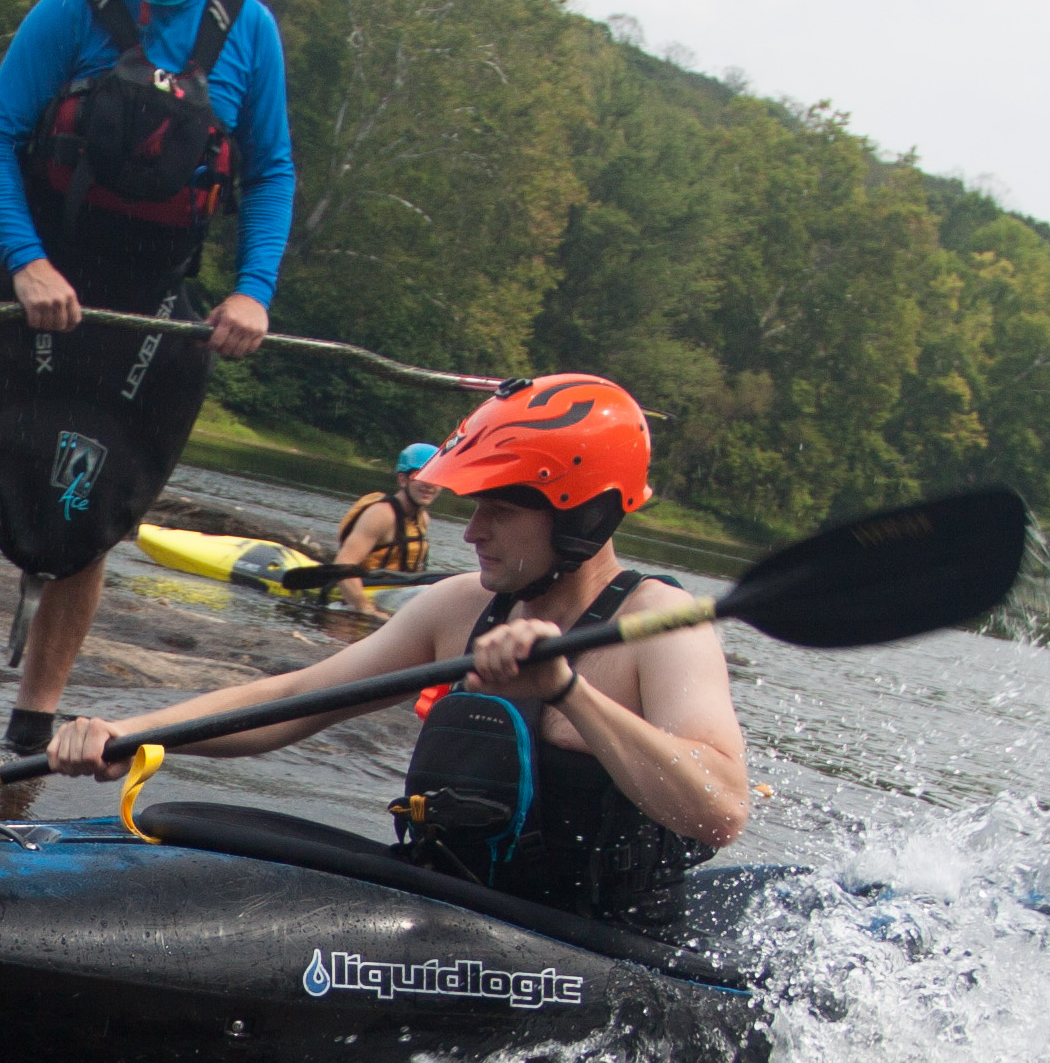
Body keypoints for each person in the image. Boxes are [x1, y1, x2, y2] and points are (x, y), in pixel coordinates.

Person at [43, 374, 748, 934]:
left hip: (598, 946)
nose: (471, 532)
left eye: (500, 510)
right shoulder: (460, 605)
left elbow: (720, 810)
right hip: (457, 913)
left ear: (582, 514)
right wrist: (131, 734)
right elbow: (294, 699)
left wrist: (568, 692)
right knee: (198, 823)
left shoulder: (661, 625)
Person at [0, 0, 297, 769]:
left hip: (148, 298)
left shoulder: (248, 31)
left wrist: (252, 291)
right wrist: (27, 261)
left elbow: (271, 171)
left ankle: (32, 726)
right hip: (37, 279)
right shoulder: (74, 7)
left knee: (98, 506)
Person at [330, 441, 443, 602]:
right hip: (361, 592)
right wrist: (366, 609)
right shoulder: (381, 514)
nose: (430, 485)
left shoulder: (423, 519)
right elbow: (343, 565)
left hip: (397, 593)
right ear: (403, 479)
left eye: (436, 477)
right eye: (420, 475)